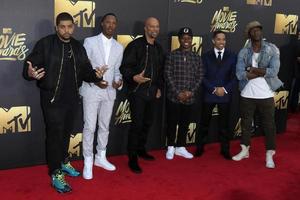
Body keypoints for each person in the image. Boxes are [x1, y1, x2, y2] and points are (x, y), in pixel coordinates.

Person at [23, 12, 104, 193]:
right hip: (52, 100)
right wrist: (29, 73)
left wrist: (96, 76)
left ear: (73, 27)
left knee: (66, 133)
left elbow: (86, 72)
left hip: (72, 99)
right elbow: (29, 67)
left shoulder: (77, 47)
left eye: (69, 26)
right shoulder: (45, 44)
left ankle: (63, 161)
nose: (66, 30)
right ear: (56, 27)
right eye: (62, 27)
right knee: (54, 136)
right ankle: (56, 173)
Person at [232, 21, 283, 168]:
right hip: (247, 94)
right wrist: (261, 71)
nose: (257, 33)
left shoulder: (272, 49)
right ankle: (245, 150)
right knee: (246, 124)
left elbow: (274, 72)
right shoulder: (243, 52)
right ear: (249, 34)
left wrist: (251, 69)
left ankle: (269, 155)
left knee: (269, 126)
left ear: (262, 32)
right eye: (253, 31)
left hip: (266, 94)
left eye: (259, 30)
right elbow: (240, 74)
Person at [80, 13, 123, 179]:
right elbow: (85, 66)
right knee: (90, 126)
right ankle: (88, 161)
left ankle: (101, 157)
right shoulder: (89, 42)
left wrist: (118, 81)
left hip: (109, 92)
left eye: (114, 23)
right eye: (108, 22)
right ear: (102, 24)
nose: (111, 25)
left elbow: (117, 70)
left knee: (105, 126)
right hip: (91, 90)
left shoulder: (119, 47)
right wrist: (95, 80)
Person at [120, 17, 164, 173]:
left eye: (157, 27)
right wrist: (134, 77)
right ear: (145, 28)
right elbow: (124, 68)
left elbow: (160, 72)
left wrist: (159, 87)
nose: (154, 29)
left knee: (147, 123)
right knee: (137, 125)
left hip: (152, 93)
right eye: (151, 26)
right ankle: (132, 157)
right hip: (137, 92)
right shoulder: (135, 46)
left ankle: (141, 149)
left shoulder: (159, 48)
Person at [194, 30, 237, 160]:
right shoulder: (205, 56)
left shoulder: (232, 56)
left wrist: (224, 89)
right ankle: (200, 148)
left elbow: (235, 77)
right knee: (204, 123)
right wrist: (213, 89)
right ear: (213, 41)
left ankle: (225, 149)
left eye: (223, 39)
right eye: (218, 39)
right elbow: (202, 76)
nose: (221, 42)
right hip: (209, 94)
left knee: (224, 125)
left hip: (225, 94)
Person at [164, 27, 204, 160]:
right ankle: (170, 146)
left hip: (189, 98)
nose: (186, 40)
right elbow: (167, 75)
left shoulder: (197, 58)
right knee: (171, 122)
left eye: (188, 38)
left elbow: (199, 76)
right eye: (183, 38)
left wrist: (190, 92)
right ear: (179, 40)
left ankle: (180, 147)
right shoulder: (172, 55)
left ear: (191, 40)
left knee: (185, 123)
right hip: (173, 97)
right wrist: (178, 93)